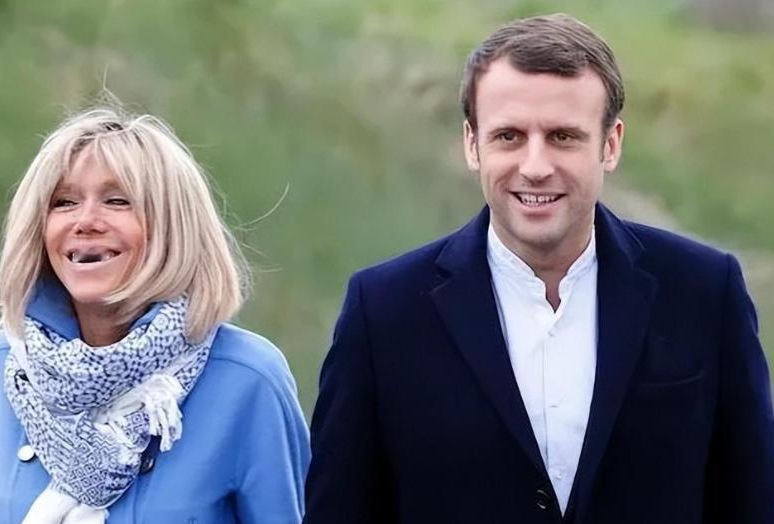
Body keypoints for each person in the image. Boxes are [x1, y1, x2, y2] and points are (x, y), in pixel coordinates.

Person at [304, 13, 774, 524]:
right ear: (472, 143)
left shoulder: (706, 293)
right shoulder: (383, 312)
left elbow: (754, 501)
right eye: (508, 136)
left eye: (563, 136)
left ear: (610, 144)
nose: (535, 166)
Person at [0, 105, 310, 523]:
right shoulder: (1, 366)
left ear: (173, 228)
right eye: (64, 202)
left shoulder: (248, 379)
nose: (86, 221)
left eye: (117, 201)